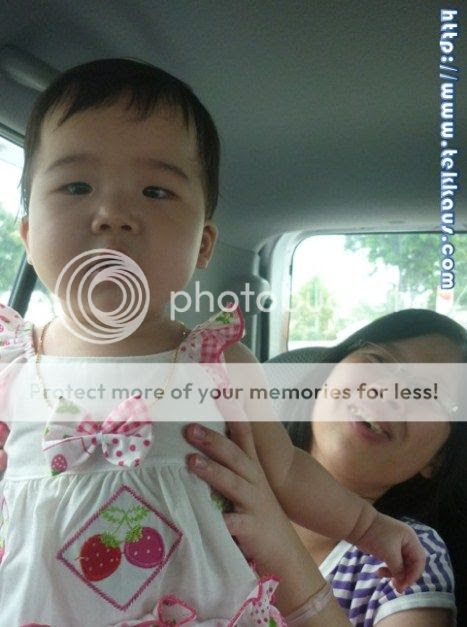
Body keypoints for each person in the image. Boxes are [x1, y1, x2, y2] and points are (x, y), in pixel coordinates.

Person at [0, 58, 426, 626]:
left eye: (155, 191)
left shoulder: (219, 363)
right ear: (28, 236)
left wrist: (367, 526)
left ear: (202, 246)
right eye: (77, 186)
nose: (113, 215)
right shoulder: (10, 363)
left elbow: (286, 471)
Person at [184, 309, 467, 626]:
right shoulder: (213, 467)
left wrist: (278, 548)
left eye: (428, 393)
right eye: (381, 361)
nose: (391, 392)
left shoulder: (407, 559)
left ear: (438, 459)